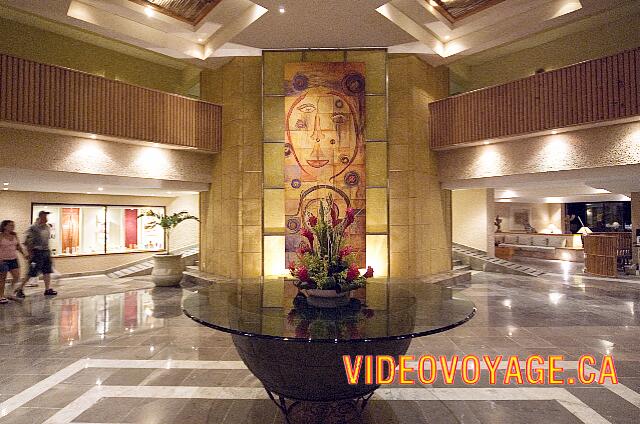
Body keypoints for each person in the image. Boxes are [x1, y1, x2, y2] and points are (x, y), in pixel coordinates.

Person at [14, 211, 57, 298]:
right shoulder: (33, 228)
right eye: (44, 216)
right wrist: (30, 253)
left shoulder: (47, 227)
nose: (46, 218)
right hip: (37, 252)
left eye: (46, 216)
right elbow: (26, 241)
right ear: (40, 216)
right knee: (32, 272)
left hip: (46, 251)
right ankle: (20, 289)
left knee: (47, 271)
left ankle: (47, 289)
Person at [0, 220, 27, 304]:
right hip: (3, 260)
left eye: (13, 225)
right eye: (10, 225)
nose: (13, 227)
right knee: (2, 279)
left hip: (13, 259)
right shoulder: (1, 236)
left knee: (16, 276)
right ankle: (1, 296)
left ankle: (9, 292)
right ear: (4, 226)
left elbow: (18, 246)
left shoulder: (14, 235)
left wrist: (24, 254)